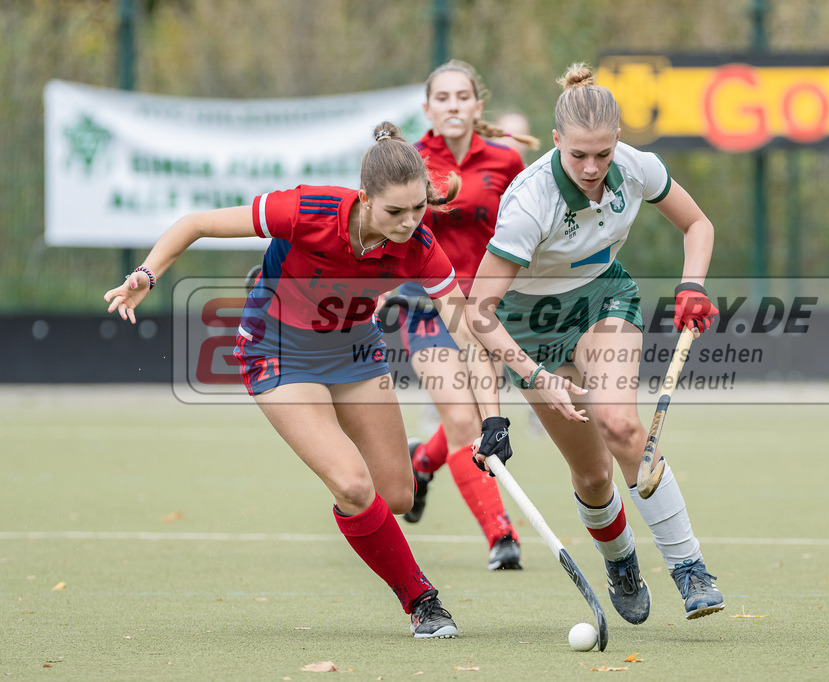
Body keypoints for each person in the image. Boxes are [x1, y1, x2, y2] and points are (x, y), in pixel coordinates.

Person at [103, 121, 514, 639]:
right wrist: (146, 274)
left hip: (356, 351)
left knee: (400, 497)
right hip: (277, 351)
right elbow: (196, 223)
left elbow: (471, 332)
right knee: (352, 483)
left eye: (418, 209)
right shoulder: (305, 210)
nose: (410, 222)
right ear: (365, 198)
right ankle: (422, 600)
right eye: (395, 212)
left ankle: (372, 504)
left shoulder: (421, 245)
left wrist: (493, 415)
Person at [465, 63, 725, 624]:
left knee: (621, 424)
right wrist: (534, 376)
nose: (590, 167)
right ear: (556, 141)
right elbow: (479, 310)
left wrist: (692, 285)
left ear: (618, 142)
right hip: (530, 329)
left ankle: (690, 568)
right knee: (593, 475)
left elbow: (697, 225)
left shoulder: (636, 168)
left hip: (604, 299)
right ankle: (621, 560)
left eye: (602, 154)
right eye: (578, 154)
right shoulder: (529, 203)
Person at [392, 60, 539, 571]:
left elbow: (530, 229)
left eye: (462, 97)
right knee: (461, 418)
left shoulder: (504, 160)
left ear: (478, 106)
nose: (453, 106)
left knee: (478, 416)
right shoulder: (406, 162)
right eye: (443, 98)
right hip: (423, 306)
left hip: (485, 312)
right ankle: (501, 535)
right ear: (428, 108)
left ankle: (421, 461)